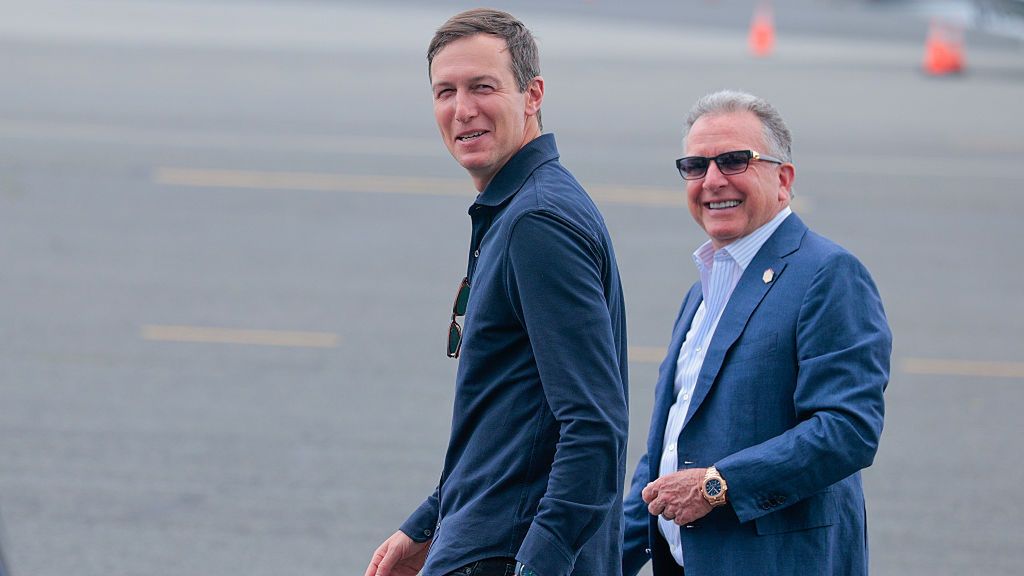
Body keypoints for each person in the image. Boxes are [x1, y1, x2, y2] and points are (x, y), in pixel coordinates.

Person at [364, 9, 629, 576]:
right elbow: (506, 423)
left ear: (532, 95)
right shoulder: (516, 208)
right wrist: (429, 523)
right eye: (445, 91)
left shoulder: (538, 222)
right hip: (482, 538)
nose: (463, 109)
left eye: (483, 87)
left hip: (503, 553)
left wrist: (540, 562)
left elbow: (594, 422)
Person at [622, 90, 891, 576]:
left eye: (733, 160)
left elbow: (848, 429)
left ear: (783, 179)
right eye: (695, 166)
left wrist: (716, 484)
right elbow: (667, 452)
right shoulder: (703, 291)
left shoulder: (827, 274)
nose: (712, 180)